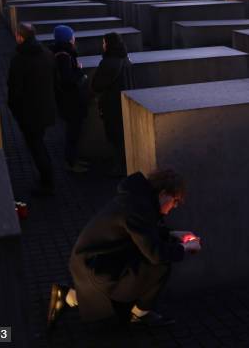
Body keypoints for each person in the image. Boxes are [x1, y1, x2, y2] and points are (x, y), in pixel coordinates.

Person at [47, 169, 200, 328]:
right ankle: (139, 314)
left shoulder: (139, 200)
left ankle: (69, 296)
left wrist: (174, 234)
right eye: (175, 201)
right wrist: (184, 247)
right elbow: (156, 254)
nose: (174, 206)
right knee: (160, 265)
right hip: (95, 266)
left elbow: (145, 232)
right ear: (163, 194)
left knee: (146, 263)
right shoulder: (137, 209)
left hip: (97, 258)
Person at [7, 23, 57, 196]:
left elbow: (14, 89)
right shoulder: (47, 53)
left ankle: (47, 182)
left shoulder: (19, 59)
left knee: (36, 147)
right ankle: (47, 178)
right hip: (45, 108)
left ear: (20, 37)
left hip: (28, 113)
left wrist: (14, 110)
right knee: (39, 143)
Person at [90, 32, 131, 177]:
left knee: (115, 137)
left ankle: (119, 167)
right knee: (123, 136)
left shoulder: (108, 62)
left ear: (109, 44)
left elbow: (96, 85)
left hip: (111, 105)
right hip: (125, 102)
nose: (102, 45)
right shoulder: (125, 58)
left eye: (104, 43)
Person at [50, 25, 89, 173]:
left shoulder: (62, 54)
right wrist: (80, 73)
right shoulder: (64, 56)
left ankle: (74, 160)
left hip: (68, 100)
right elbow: (67, 80)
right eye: (72, 36)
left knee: (74, 132)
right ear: (68, 38)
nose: (74, 38)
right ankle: (71, 163)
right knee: (72, 133)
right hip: (70, 101)